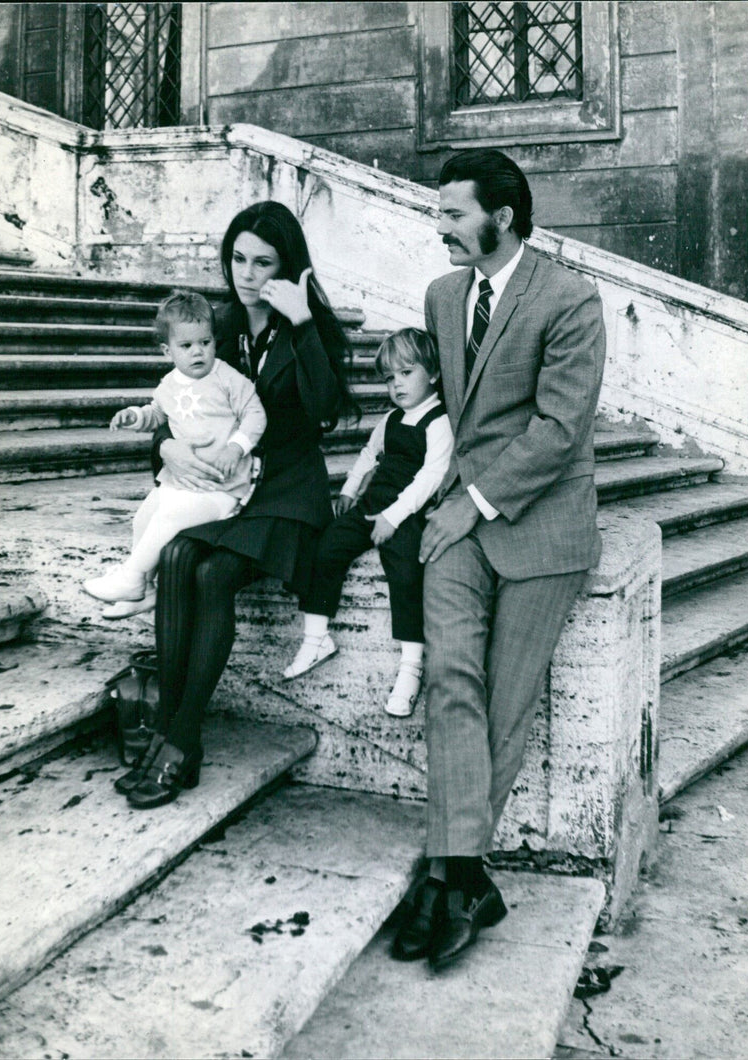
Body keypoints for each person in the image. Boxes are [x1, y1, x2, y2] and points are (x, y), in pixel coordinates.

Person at [391, 149, 606, 969]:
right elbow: (444, 405)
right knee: (452, 678)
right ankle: (463, 875)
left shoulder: (570, 298)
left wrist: (476, 504)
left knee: (508, 703)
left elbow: (560, 429)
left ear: (501, 218)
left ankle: (454, 874)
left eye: (451, 213)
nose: (437, 225)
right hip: (459, 520)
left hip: (541, 522)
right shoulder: (444, 296)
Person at [116, 201, 358, 810]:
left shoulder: (309, 324)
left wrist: (302, 325)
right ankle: (173, 732)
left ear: (289, 266)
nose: (247, 274)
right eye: (238, 259)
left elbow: (327, 410)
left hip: (285, 490)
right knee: (174, 557)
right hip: (221, 486)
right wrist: (166, 447)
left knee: (214, 572)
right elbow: (178, 403)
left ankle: (180, 739)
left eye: (264, 262)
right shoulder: (214, 323)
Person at [283, 327, 454, 717]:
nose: (396, 385)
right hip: (373, 505)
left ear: (433, 374)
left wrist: (392, 519)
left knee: (407, 572)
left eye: (406, 374)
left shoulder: (438, 422)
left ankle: (411, 665)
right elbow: (369, 453)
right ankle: (316, 636)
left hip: (408, 514)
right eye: (389, 378)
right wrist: (349, 489)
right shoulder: (392, 419)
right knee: (327, 545)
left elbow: (431, 476)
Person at [83, 290, 266, 616]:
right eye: (187, 346)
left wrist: (235, 448)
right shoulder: (168, 384)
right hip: (181, 482)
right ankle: (145, 590)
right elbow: (158, 414)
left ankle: (132, 577)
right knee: (144, 516)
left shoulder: (227, 378)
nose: (199, 352)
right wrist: (136, 416)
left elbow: (256, 415)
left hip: (220, 487)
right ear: (168, 350)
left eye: (205, 342)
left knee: (169, 517)